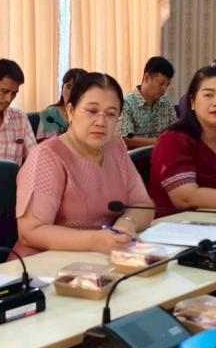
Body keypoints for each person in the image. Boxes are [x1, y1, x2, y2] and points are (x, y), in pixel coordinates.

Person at [10, 73, 154, 259]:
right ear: (70, 111)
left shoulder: (115, 146)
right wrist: (96, 241)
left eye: (111, 114)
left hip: (103, 258)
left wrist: (126, 224)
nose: (101, 122)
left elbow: (144, 205)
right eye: (92, 111)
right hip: (43, 265)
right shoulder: (47, 156)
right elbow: (30, 232)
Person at [149, 65, 216, 217]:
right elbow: (185, 198)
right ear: (192, 101)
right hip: (176, 224)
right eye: (208, 95)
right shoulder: (173, 139)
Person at [119, 56, 176, 149]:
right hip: (136, 157)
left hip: (163, 154)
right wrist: (160, 142)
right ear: (146, 78)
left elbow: (175, 131)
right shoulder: (126, 103)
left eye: (167, 85)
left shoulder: (165, 103)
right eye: (161, 84)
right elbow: (125, 138)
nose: (164, 89)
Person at [36, 68, 87, 141]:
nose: (72, 92)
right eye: (69, 87)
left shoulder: (90, 115)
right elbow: (43, 144)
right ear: (62, 89)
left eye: (77, 89)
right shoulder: (49, 115)